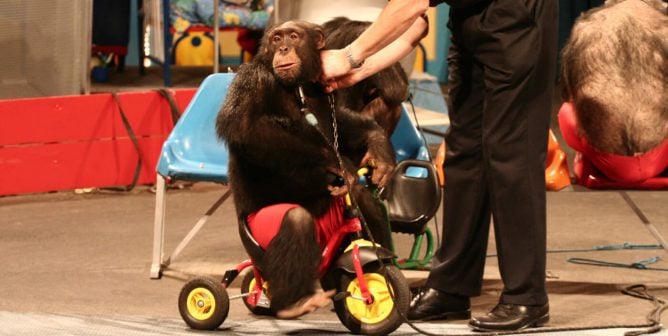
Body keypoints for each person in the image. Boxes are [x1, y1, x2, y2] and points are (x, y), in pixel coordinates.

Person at [321, 0, 558, 332]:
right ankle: (451, 287)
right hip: (470, 21)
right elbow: (415, 22)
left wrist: (348, 56)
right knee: (464, 155)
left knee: (511, 156)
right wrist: (358, 71)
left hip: (517, 21)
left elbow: (410, 3)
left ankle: (526, 297)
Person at [559, 0, 668, 188]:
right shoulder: (663, 26)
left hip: (606, 158)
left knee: (567, 111)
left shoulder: (587, 27)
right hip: (659, 155)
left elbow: (567, 92)